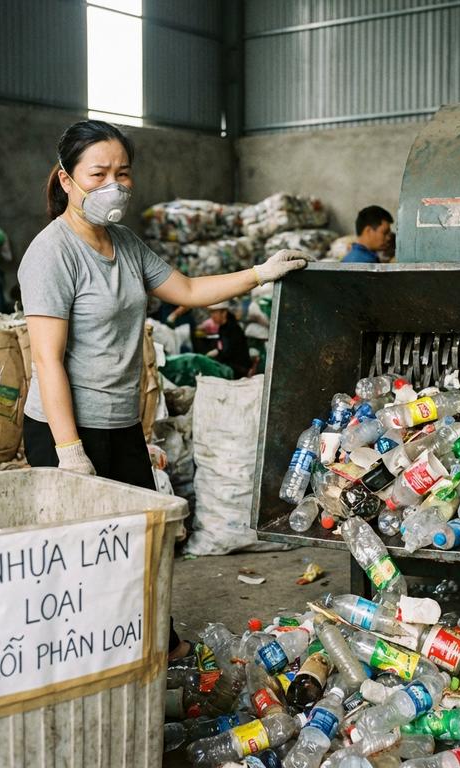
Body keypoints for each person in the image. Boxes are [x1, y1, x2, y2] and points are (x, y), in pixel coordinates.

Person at [17, 119, 307, 659]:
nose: (113, 185)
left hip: (120, 423)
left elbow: (191, 289)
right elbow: (46, 359)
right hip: (65, 430)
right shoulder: (50, 253)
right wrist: (69, 454)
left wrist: (259, 273)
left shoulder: (125, 244)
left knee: (139, 547)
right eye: (97, 174)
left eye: (121, 174)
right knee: (80, 558)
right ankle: (80, 659)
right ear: (65, 179)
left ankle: (158, 646)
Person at [204, 301, 252, 378]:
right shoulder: (222, 328)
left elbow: (228, 352)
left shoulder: (233, 329)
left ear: (224, 313)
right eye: (211, 313)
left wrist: (217, 352)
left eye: (214, 312)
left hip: (238, 369)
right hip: (229, 365)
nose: (212, 316)